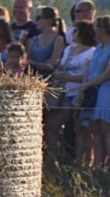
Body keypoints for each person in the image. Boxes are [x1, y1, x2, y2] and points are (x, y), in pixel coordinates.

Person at [46, 21, 96, 164]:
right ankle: (52, 160)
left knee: (81, 130)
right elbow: (60, 67)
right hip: (64, 93)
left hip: (80, 94)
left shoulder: (92, 52)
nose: (72, 33)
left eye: (75, 31)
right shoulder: (69, 50)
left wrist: (69, 77)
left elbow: (89, 75)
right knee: (52, 125)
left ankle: (81, 162)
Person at [78, 16, 110, 167]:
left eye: (97, 27)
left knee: (106, 128)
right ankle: (97, 165)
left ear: (103, 30)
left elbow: (107, 73)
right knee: (95, 128)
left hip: (106, 90)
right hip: (95, 90)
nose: (94, 30)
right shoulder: (98, 48)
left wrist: (88, 84)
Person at [27, 6, 65, 80]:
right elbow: (26, 60)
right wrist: (41, 65)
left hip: (50, 81)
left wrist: (33, 63)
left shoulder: (58, 39)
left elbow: (51, 65)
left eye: (38, 18)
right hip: (34, 80)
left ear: (48, 20)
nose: (36, 21)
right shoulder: (34, 39)